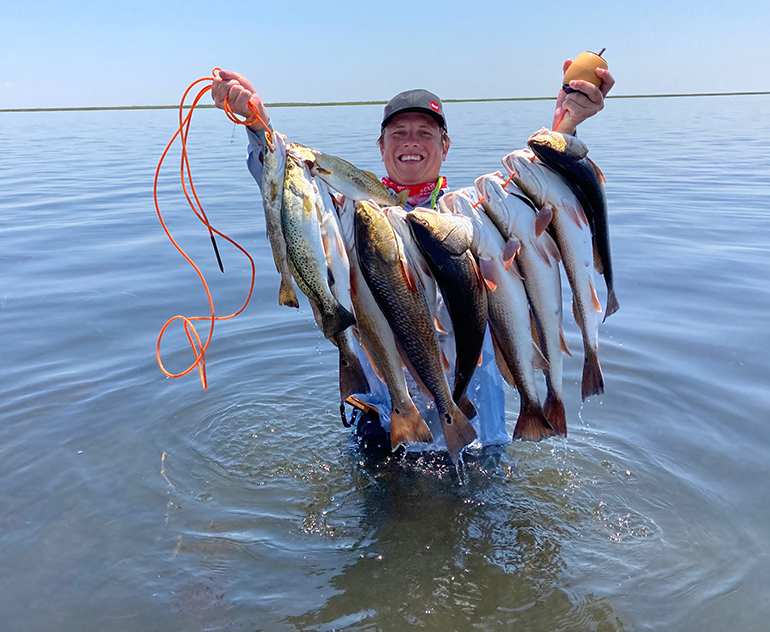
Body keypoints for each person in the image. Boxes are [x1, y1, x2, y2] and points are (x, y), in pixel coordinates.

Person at [211, 63, 615, 449]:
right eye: (398, 132)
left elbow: (539, 189)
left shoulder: (477, 214)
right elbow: (288, 190)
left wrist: (566, 124)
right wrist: (256, 125)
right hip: (384, 423)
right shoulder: (347, 213)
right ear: (381, 147)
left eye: (425, 132)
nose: (411, 141)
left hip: (475, 422)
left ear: (445, 146)